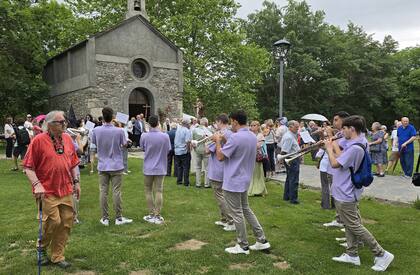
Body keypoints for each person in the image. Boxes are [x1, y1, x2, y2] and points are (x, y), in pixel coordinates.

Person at [325, 115, 394, 272]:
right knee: (350, 224)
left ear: (352, 129)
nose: (342, 131)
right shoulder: (354, 143)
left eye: (344, 128)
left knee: (354, 225)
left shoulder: (356, 147)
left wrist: (329, 148)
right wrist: (332, 143)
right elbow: (341, 155)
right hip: (346, 190)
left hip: (346, 192)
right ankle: (352, 254)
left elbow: (336, 163)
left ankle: (381, 254)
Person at [23, 110, 80, 269]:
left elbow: (74, 163)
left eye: (64, 121)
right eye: (60, 122)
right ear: (50, 125)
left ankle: (57, 256)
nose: (64, 124)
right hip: (46, 190)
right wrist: (37, 184)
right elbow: (28, 167)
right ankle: (41, 247)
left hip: (66, 188)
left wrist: (76, 182)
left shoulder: (68, 139)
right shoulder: (38, 141)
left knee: (66, 222)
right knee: (53, 221)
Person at [213, 110, 270, 255]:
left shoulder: (236, 137)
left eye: (231, 121)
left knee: (237, 213)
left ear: (235, 121)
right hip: (244, 178)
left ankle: (243, 245)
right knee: (245, 209)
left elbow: (220, 156)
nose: (230, 124)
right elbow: (236, 151)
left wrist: (218, 141)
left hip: (233, 179)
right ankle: (261, 240)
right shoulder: (252, 136)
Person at [91, 107, 132, 226]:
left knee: (103, 191)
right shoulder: (118, 131)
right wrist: (128, 143)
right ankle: (118, 218)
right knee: (116, 191)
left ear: (103, 116)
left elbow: (95, 142)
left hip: (103, 165)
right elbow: (124, 144)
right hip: (116, 165)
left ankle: (105, 218)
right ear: (112, 116)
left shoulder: (96, 130)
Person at [139, 115, 171, 225]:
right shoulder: (165, 136)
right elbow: (168, 150)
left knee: (148, 190)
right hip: (160, 166)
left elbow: (143, 148)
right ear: (158, 123)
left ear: (149, 124)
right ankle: (157, 214)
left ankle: (152, 213)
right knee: (159, 190)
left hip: (148, 166)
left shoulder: (144, 136)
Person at [206, 114, 234, 231]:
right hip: (226, 168)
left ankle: (231, 220)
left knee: (220, 196)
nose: (215, 124)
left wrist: (207, 141)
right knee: (223, 195)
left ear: (219, 121)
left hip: (218, 169)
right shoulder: (231, 133)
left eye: (216, 122)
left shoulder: (220, 134)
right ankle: (224, 219)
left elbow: (207, 150)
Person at [323, 111, 350, 228]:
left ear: (343, 120)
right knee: (336, 195)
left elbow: (339, 151)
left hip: (340, 169)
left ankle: (346, 223)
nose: (333, 122)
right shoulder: (339, 133)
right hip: (333, 168)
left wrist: (329, 137)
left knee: (342, 198)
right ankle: (339, 219)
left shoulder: (346, 135)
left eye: (336, 120)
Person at [280, 120, 301, 204]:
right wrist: (283, 160)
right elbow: (284, 151)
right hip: (292, 159)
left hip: (292, 158)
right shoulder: (289, 137)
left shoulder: (291, 135)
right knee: (294, 179)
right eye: (296, 127)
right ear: (290, 127)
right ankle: (293, 199)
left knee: (289, 178)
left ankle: (287, 196)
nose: (297, 128)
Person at [248, 121, 268, 197]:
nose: (252, 126)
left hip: (257, 157)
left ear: (258, 126)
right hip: (249, 156)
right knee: (250, 173)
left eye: (254, 125)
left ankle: (258, 189)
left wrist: (249, 145)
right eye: (251, 125)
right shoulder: (249, 134)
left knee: (257, 173)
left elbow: (259, 146)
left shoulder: (260, 135)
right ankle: (250, 188)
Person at [191, 117, 212, 188]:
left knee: (198, 167)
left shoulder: (194, 130)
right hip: (206, 151)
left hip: (197, 150)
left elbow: (192, 140)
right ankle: (207, 184)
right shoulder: (209, 130)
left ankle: (198, 183)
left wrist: (195, 148)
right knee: (207, 168)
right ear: (206, 123)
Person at [174, 118, 192, 186]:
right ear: (187, 124)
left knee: (179, 167)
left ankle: (179, 181)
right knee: (186, 167)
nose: (190, 125)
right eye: (189, 123)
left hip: (177, 151)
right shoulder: (187, 131)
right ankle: (186, 182)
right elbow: (188, 142)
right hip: (184, 151)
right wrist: (188, 150)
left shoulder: (178, 130)